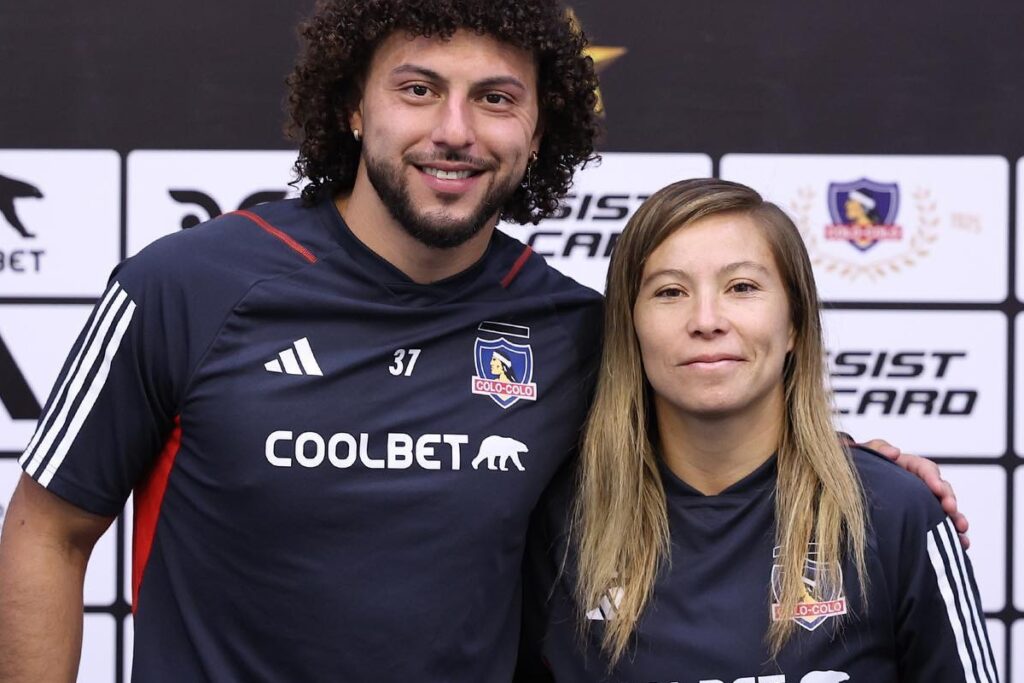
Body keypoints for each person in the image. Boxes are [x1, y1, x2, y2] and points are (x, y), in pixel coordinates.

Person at [0, 1, 963, 680]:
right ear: (353, 104)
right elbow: (48, 528)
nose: (455, 130)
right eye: (419, 89)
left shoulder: (579, 331)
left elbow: (716, 421)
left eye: (497, 98)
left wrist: (858, 466)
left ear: (539, 128)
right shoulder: (186, 285)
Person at [525, 179, 996, 682]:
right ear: (630, 327)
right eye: (670, 292)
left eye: (742, 287)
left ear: (794, 323)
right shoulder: (559, 519)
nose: (706, 320)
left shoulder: (893, 512)